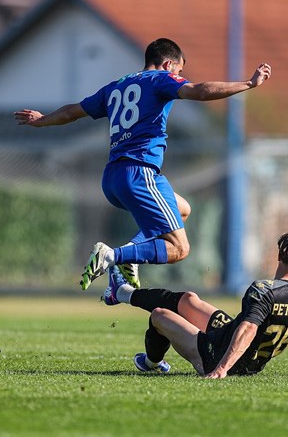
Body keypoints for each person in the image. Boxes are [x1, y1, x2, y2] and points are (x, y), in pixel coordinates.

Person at [14, 38, 271, 291]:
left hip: (113, 178)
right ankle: (114, 257)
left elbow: (73, 111)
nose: (180, 77)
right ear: (169, 64)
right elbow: (199, 91)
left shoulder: (115, 87)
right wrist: (248, 84)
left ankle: (128, 254)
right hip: (139, 173)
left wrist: (43, 119)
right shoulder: (161, 79)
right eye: (179, 71)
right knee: (180, 249)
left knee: (183, 209)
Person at [102, 230, 288, 377]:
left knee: (160, 316)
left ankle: (151, 362)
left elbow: (247, 330)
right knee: (188, 300)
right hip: (237, 347)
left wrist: (221, 369)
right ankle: (122, 293)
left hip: (216, 356)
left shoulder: (264, 290)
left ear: (279, 254)